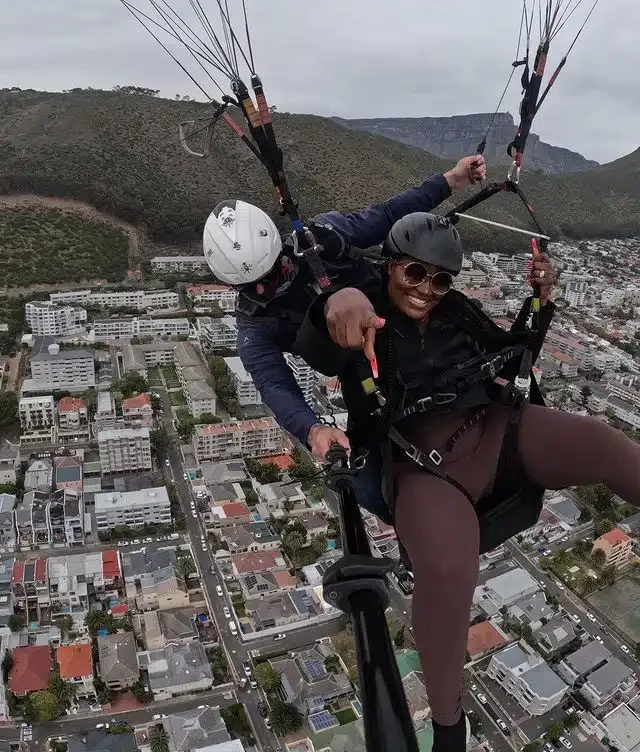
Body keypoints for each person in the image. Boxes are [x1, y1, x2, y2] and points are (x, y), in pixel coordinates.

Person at [292, 212, 640, 752]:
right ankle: (450, 726)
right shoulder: (365, 315)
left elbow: (514, 350)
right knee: (450, 567)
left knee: (603, 442)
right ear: (389, 266)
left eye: (441, 279)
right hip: (420, 462)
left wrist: (539, 302)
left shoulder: (455, 312)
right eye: (415, 274)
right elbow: (317, 345)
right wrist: (332, 303)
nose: (427, 290)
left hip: (494, 428)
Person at [202, 155, 487, 459]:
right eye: (250, 287)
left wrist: (452, 180)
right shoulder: (254, 326)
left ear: (279, 250)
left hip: (403, 309)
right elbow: (272, 382)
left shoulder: (322, 238)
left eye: (271, 274)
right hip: (362, 363)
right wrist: (313, 428)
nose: (262, 289)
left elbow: (387, 214)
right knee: (367, 480)